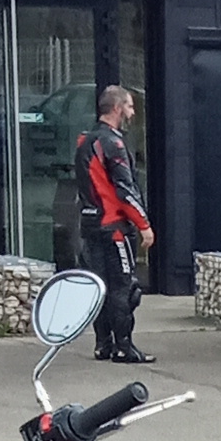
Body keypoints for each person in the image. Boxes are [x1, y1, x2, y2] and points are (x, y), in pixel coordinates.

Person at [72, 84, 151, 360]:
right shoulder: (113, 143)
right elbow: (125, 190)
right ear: (117, 108)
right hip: (113, 226)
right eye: (129, 106)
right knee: (123, 288)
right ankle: (124, 347)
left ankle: (103, 344)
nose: (132, 113)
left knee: (99, 287)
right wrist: (144, 225)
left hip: (90, 225)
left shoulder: (85, 140)